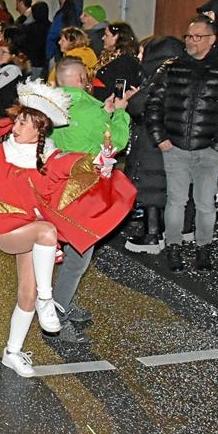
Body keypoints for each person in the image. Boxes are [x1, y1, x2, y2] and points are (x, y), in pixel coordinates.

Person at [0, 81, 135, 376]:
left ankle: (12, 352)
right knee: (46, 232)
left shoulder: (48, 158)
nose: (16, 126)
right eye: (17, 120)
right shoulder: (1, 153)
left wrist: (100, 162)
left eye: (24, 122)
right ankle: (47, 301)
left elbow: (72, 165)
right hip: (7, 230)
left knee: (25, 293)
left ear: (39, 130)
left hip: (31, 230)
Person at [48, 57, 134, 342]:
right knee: (78, 257)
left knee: (67, 250)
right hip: (85, 190)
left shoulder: (50, 105)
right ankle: (57, 316)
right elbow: (116, 142)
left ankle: (60, 303)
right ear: (82, 77)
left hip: (57, 186)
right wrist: (120, 112)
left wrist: (105, 111)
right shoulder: (90, 109)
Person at [146, 15, 218, 272]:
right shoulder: (172, 68)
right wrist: (161, 138)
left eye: (197, 36)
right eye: (188, 36)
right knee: (176, 201)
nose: (191, 41)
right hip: (174, 147)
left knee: (205, 204)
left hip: (207, 150)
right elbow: (153, 103)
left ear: (212, 40)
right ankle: (173, 247)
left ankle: (203, 249)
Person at [124, 36, 187, 254]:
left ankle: (152, 235)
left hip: (152, 140)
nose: (140, 58)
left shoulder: (161, 74)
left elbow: (141, 105)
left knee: (152, 187)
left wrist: (133, 98)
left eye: (143, 53)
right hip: (172, 139)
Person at [92, 22, 142, 102]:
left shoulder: (125, 62)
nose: (103, 38)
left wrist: (116, 102)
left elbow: (120, 89)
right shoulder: (108, 57)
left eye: (106, 35)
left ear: (116, 37)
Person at [46, 0, 81, 64]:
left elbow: (53, 35)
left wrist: (49, 55)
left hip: (61, 53)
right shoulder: (78, 10)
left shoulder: (63, 12)